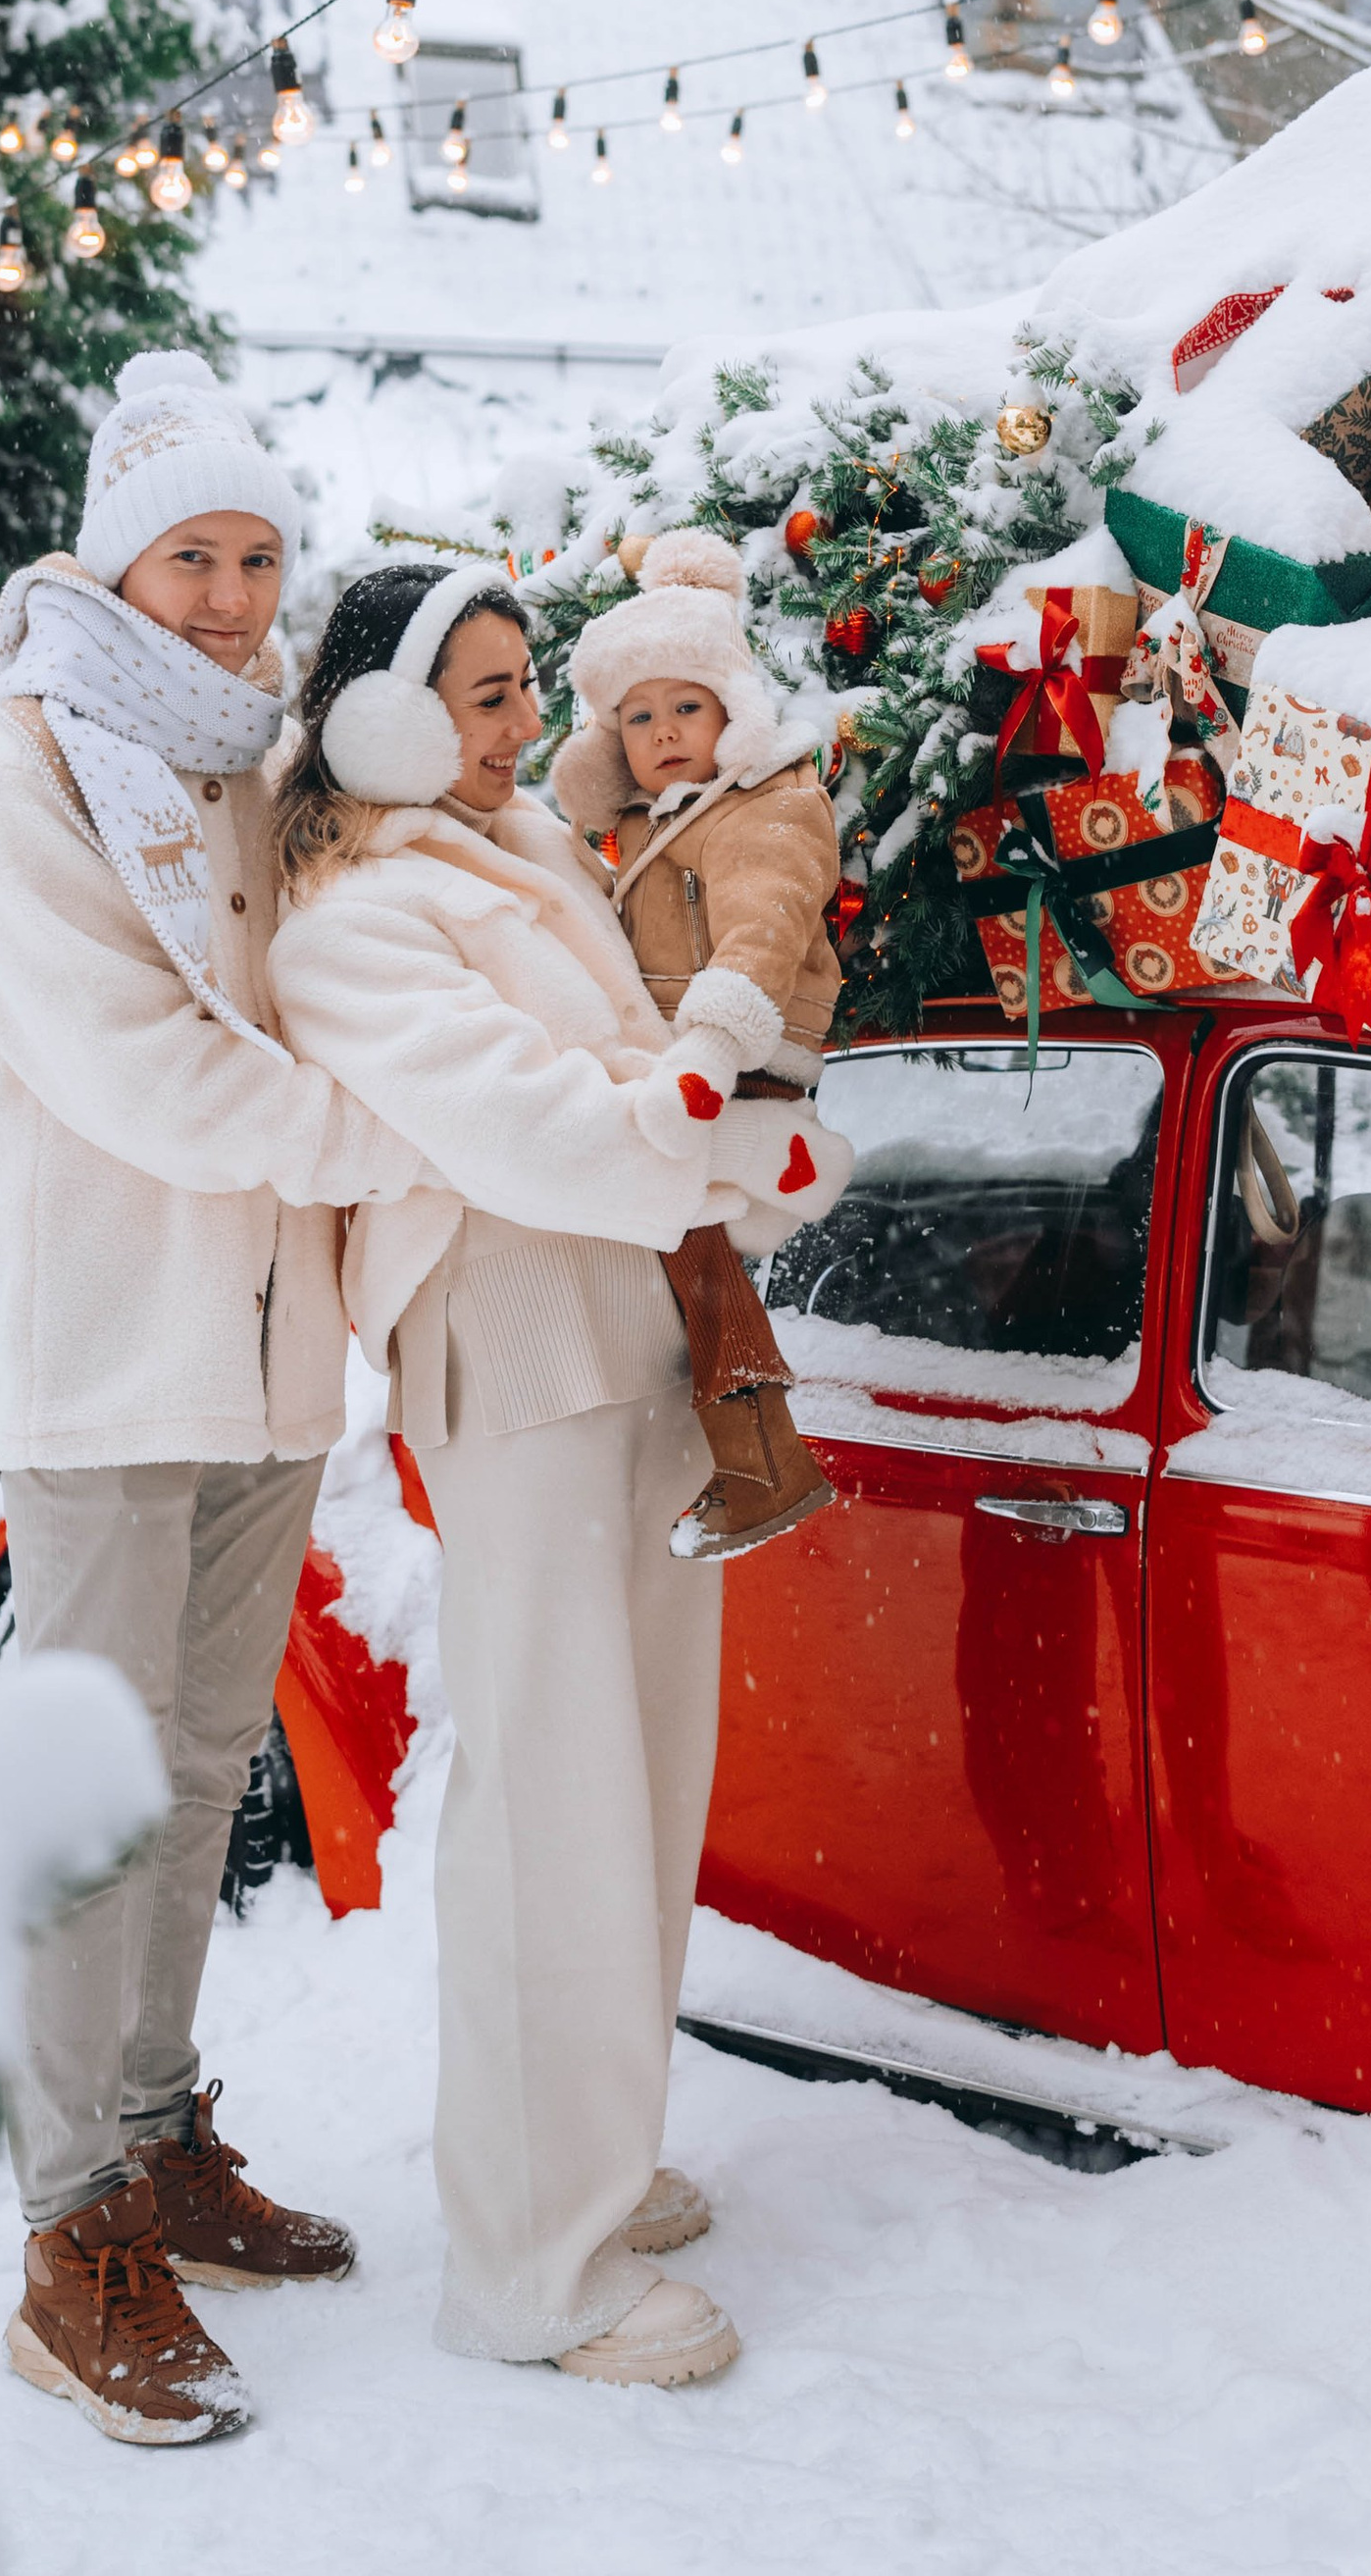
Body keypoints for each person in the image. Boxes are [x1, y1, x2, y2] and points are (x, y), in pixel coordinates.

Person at [264, 560, 850, 2389]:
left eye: (531, 688)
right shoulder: (352, 916)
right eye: (494, 693)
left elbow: (640, 1092)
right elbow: (543, 1128)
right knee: (551, 1800)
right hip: (519, 1351)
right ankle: (530, 2261)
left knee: (645, 1780)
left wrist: (746, 1152)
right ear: (383, 717)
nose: (537, 728)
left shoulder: (515, 856)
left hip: (636, 1334)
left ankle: (588, 2160)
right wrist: (746, 1158)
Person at [0, 349, 429, 2450]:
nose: (231, 596)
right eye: (193, 556)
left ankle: (153, 2143)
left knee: (206, 1768)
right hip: (111, 1362)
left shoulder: (252, 769)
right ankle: (69, 2244)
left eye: (256, 556)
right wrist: (386, 1131)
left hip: (259, 1365)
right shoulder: (24, 779)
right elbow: (139, 1061)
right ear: (113, 560)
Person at [551, 527, 842, 1558]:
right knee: (683, 1249)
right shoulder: (656, 823)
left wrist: (712, 1043)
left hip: (740, 1052)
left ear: (733, 712)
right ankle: (753, 1453)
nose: (664, 731)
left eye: (687, 706)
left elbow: (766, 925)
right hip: (691, 1060)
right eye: (639, 716)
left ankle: (765, 1458)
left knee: (693, 1245)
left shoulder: (766, 803)